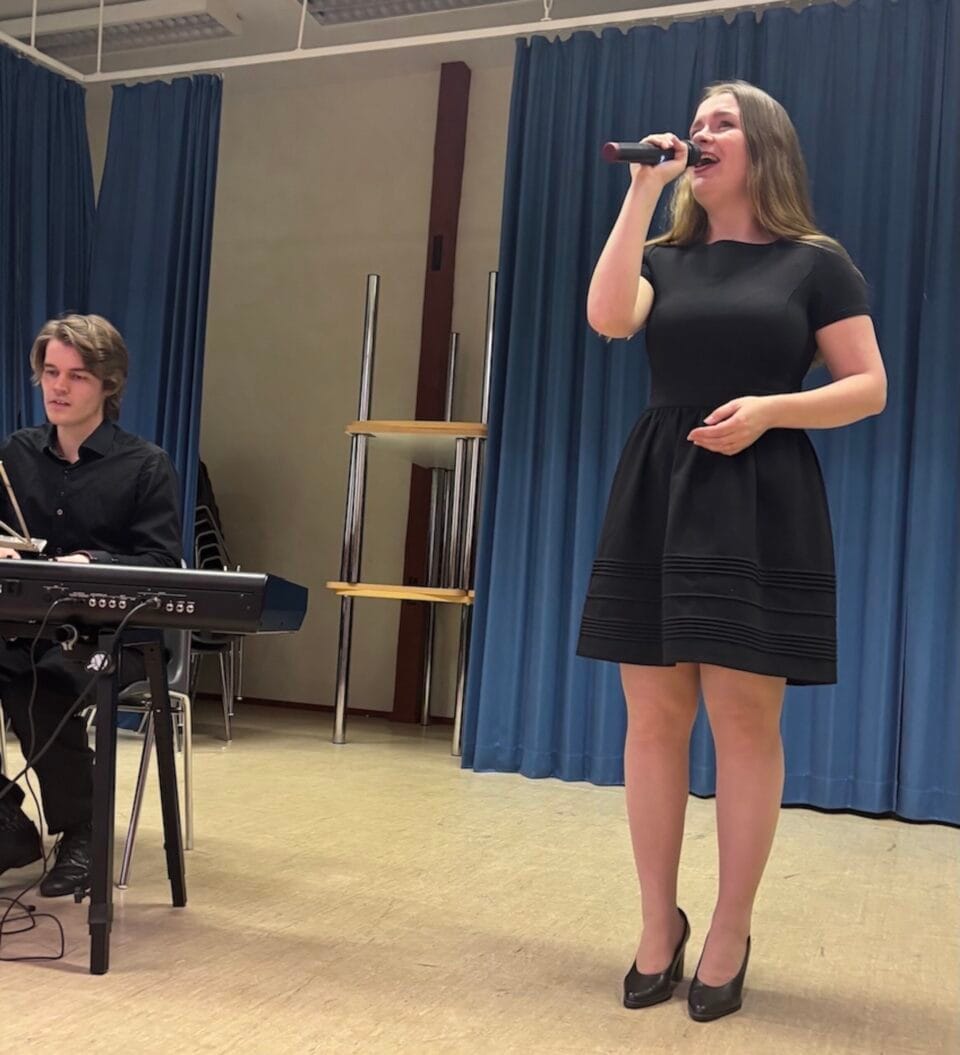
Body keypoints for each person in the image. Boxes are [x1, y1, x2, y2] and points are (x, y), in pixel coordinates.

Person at [577, 81, 887, 1021]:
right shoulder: (664, 257)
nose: (701, 133)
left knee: (746, 721)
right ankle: (656, 922)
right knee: (651, 719)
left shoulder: (815, 262)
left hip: (760, 491)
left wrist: (772, 410)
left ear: (765, 148)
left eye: (722, 123)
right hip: (659, 486)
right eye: (696, 123)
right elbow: (607, 316)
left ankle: (730, 928)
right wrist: (641, 191)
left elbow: (867, 386)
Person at [0, 314, 181, 897]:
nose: (58, 387)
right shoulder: (15, 453)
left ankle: (83, 831)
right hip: (21, 627)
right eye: (51, 372)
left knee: (42, 682)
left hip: (111, 636)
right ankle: (7, 821)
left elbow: (162, 563)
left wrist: (92, 561)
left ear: (109, 383)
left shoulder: (145, 465)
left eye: (76, 375)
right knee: (24, 667)